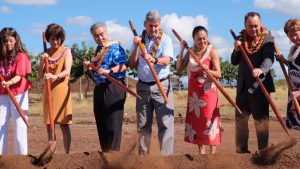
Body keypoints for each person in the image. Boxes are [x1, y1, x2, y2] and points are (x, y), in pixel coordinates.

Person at [129, 10, 175, 156]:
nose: (153, 29)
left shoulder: (165, 39)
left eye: (156, 26)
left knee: (165, 123)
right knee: (143, 125)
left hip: (161, 84)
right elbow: (132, 64)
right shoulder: (138, 40)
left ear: (159, 24)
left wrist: (154, 59)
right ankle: (143, 159)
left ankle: (166, 159)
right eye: (150, 26)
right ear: (145, 24)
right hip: (142, 86)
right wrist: (136, 46)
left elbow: (167, 60)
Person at [231, 12, 275, 154]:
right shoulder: (239, 38)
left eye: (256, 26)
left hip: (259, 86)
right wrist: (236, 49)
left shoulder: (268, 39)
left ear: (260, 24)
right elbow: (234, 61)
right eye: (250, 26)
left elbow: (269, 58)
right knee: (241, 121)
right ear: (245, 25)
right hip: (243, 88)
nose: (253, 29)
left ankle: (263, 152)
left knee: (261, 121)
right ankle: (241, 152)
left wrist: (261, 69)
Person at [176, 26, 222, 155]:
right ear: (194, 40)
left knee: (209, 121)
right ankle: (201, 153)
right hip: (194, 95)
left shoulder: (212, 51)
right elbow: (179, 68)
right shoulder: (190, 52)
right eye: (199, 39)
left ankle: (213, 154)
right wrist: (181, 49)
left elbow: (219, 73)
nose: (202, 41)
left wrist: (208, 70)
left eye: (204, 38)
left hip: (208, 93)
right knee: (197, 122)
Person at [83, 22, 127, 152]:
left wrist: (109, 71)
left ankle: (114, 156)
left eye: (101, 34)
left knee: (112, 122)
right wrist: (90, 67)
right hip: (99, 87)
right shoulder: (98, 50)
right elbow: (96, 72)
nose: (100, 38)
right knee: (101, 121)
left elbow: (123, 66)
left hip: (113, 86)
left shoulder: (116, 47)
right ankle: (105, 152)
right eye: (96, 36)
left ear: (106, 33)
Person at [38, 23, 72, 154]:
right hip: (48, 92)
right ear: (48, 39)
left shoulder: (66, 51)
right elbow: (40, 74)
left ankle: (67, 155)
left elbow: (67, 71)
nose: (56, 41)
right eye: (52, 38)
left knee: (64, 125)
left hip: (62, 91)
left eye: (58, 38)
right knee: (49, 126)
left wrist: (55, 75)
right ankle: (53, 155)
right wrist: (42, 61)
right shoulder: (45, 53)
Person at [0, 27, 31, 155]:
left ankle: (21, 158)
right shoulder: (1, 57)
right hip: (2, 94)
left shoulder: (21, 56)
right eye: (5, 41)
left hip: (19, 92)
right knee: (0, 126)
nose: (8, 44)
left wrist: (8, 82)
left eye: (11, 41)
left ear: (16, 40)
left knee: (20, 126)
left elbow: (19, 76)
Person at [282, 19, 300, 130]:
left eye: (296, 34)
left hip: (298, 92)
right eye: (290, 36)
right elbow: (293, 66)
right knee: (294, 125)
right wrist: (282, 59)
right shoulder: (293, 50)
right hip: (293, 93)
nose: (293, 38)